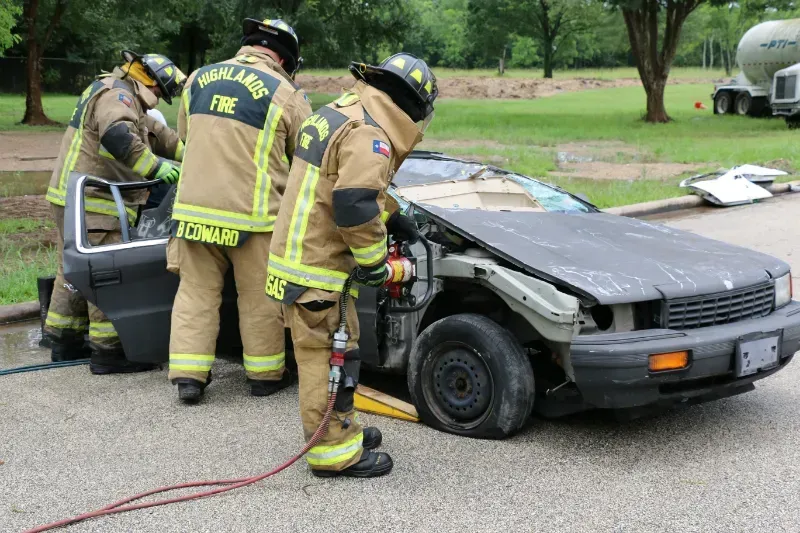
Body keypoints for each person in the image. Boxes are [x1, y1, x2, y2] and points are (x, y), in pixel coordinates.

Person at [266, 53, 438, 478]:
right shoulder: (370, 134)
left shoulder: (341, 113)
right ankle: (333, 453)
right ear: (413, 106)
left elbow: (336, 184)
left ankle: (343, 426)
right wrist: (378, 264)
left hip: (302, 259)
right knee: (327, 360)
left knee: (342, 354)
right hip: (317, 271)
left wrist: (393, 216)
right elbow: (354, 203)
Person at [166, 18, 312, 403]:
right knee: (259, 297)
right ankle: (265, 377)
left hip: (194, 213)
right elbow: (305, 156)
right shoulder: (286, 94)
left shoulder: (197, 79)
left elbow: (186, 137)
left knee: (195, 293)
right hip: (254, 218)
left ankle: (188, 378)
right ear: (286, 59)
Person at [44, 51, 186, 374]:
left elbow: (157, 133)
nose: (158, 99)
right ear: (148, 81)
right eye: (160, 92)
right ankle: (109, 351)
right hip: (94, 202)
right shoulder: (118, 96)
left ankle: (63, 341)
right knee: (105, 272)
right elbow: (118, 136)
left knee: (72, 271)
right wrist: (156, 168)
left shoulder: (119, 93)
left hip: (73, 198)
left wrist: (190, 152)